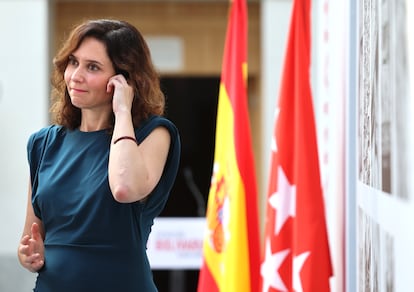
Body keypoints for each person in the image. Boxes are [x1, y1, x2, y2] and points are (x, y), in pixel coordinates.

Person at [17, 19, 181, 292]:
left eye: (92, 67)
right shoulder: (42, 144)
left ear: (124, 79)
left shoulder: (155, 134)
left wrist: (122, 111)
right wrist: (29, 254)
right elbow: (32, 235)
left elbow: (124, 187)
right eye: (73, 62)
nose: (76, 75)